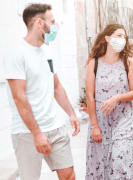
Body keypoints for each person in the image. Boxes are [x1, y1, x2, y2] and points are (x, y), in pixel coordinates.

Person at [3, 3, 80, 180]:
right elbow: (19, 98)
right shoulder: (16, 53)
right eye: (52, 22)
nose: (55, 26)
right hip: (27, 132)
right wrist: (37, 134)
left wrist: (71, 113)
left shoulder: (47, 51)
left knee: (69, 176)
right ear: (39, 23)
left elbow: (56, 86)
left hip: (55, 127)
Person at [85, 24, 133, 180]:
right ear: (107, 38)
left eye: (124, 37)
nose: (122, 39)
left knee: (119, 160)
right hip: (100, 120)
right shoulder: (93, 63)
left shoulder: (128, 62)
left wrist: (116, 98)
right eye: (118, 35)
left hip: (123, 119)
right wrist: (94, 125)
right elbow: (89, 95)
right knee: (99, 164)